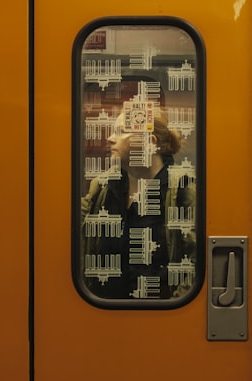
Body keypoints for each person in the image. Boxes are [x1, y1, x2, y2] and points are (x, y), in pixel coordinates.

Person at [80, 107, 195, 300]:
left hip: (160, 313)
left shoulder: (180, 189)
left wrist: (176, 307)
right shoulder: (102, 187)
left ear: (149, 142)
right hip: (103, 310)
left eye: (121, 132)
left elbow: (195, 259)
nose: (110, 139)